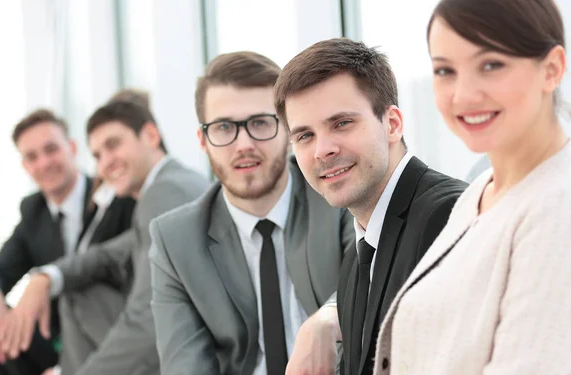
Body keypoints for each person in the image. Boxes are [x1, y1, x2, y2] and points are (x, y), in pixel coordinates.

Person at [372, 0, 571, 374]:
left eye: (491, 65)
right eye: (445, 70)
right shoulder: (482, 190)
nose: (463, 95)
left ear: (552, 69)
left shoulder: (557, 209)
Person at [148, 51, 355, 375]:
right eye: (224, 127)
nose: (243, 144)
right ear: (203, 140)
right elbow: (184, 365)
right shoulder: (175, 240)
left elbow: (373, 285)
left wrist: (330, 316)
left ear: (288, 131)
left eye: (260, 123)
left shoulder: (337, 197)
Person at [273, 38, 467, 375]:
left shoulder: (447, 216)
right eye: (304, 135)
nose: (322, 150)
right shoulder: (356, 260)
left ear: (392, 124)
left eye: (341, 123)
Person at [2, 100, 210, 375]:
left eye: (113, 145)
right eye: (98, 155)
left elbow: (150, 315)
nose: (105, 164)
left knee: (78, 293)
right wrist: (47, 277)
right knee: (75, 285)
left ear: (150, 135)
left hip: (197, 354)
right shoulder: (166, 188)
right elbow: (112, 252)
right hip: (184, 340)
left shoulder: (166, 192)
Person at [0, 109, 135, 375]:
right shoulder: (33, 212)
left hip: (107, 331)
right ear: (25, 166)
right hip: (56, 339)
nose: (44, 163)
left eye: (51, 149)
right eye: (32, 157)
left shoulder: (114, 197)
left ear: (71, 148)